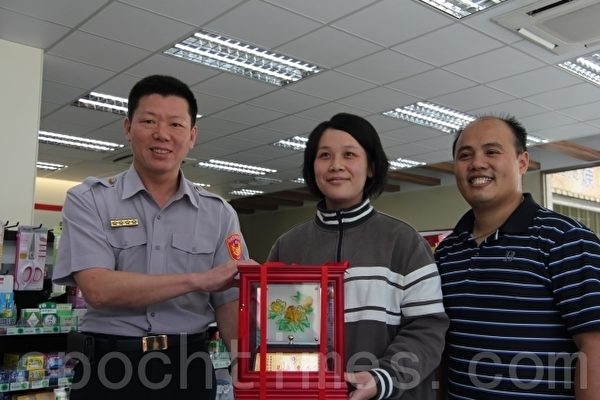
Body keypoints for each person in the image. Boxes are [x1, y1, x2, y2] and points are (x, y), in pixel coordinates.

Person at [53, 75, 254, 400]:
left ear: (192, 136)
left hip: (188, 367)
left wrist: (243, 368)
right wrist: (199, 280)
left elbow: (229, 301)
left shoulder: (219, 213)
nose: (162, 134)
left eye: (176, 124)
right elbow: (98, 289)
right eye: (149, 121)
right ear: (128, 128)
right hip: (107, 367)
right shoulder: (89, 200)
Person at [267, 113, 449, 400]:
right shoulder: (287, 246)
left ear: (371, 167)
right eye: (324, 155)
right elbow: (278, 331)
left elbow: (428, 328)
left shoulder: (404, 242)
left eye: (349, 154)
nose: (336, 165)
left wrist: (384, 378)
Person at [434, 115, 600, 399]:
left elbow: (595, 348)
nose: (477, 163)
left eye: (492, 151)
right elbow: (443, 349)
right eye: (465, 155)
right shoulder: (447, 252)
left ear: (522, 162)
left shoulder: (566, 239)